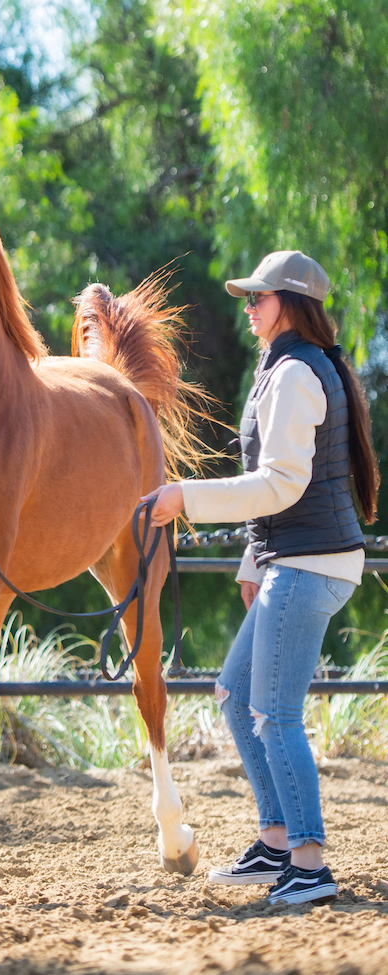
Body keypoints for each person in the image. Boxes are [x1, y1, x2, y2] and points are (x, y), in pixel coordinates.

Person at [144, 250, 379, 906]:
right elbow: (287, 486)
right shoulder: (291, 366)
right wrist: (255, 560)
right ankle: (277, 843)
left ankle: (309, 863)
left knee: (275, 715)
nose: (248, 307)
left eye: (259, 297)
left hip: (307, 565)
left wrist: (184, 497)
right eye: (248, 297)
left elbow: (281, 483)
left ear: (292, 303)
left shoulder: (297, 373)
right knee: (234, 694)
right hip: (296, 560)